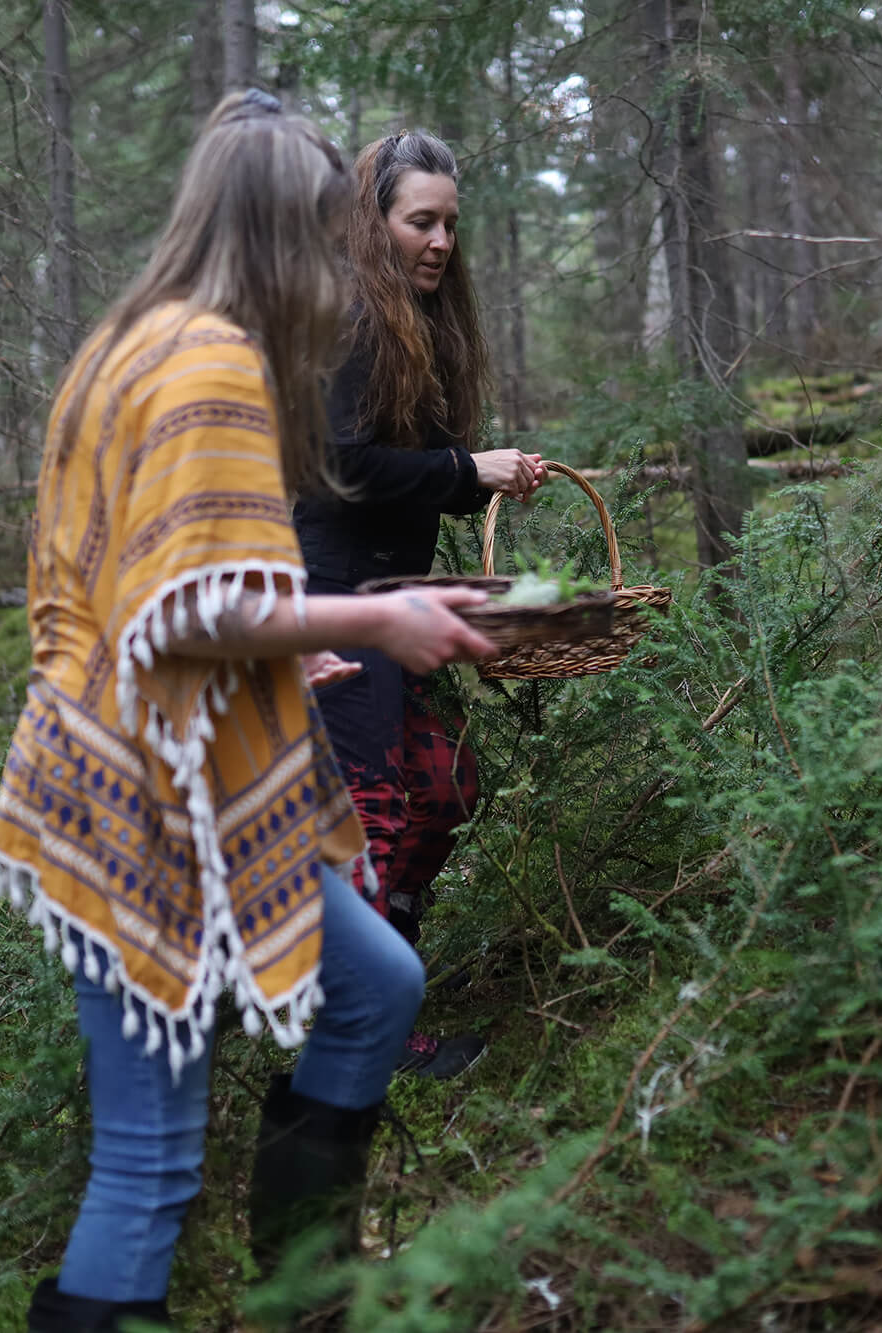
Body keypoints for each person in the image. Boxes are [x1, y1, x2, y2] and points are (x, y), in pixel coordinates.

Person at [0, 92, 498, 1333]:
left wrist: (276, 667)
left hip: (181, 763)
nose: (347, 261)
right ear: (289, 230)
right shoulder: (209, 362)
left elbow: (134, 593)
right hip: (145, 803)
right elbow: (181, 607)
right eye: (334, 230)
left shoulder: (130, 339)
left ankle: (306, 1290)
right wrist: (367, 622)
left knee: (376, 981)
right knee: (147, 1162)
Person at [292, 129, 547, 1080]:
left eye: (449, 224)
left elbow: (410, 472)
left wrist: (480, 477)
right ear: (376, 221)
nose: (440, 242)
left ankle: (372, 988)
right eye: (419, 222)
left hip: (392, 600)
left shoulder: (414, 323)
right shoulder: (351, 318)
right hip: (336, 601)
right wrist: (461, 470)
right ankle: (361, 1026)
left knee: (442, 791)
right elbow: (338, 467)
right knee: (374, 813)